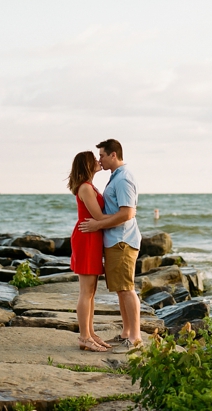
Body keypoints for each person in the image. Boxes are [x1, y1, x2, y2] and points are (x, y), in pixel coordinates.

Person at [79, 139, 142, 354]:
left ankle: (135, 336)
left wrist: (98, 224)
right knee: (121, 289)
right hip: (114, 240)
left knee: (126, 289)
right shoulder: (115, 178)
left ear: (113, 155)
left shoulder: (123, 178)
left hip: (122, 240)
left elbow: (127, 213)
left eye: (102, 156)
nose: (100, 160)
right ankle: (126, 332)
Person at [67, 151, 111, 352]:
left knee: (91, 291)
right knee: (86, 291)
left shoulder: (89, 186)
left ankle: (90, 333)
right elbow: (98, 216)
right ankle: (84, 336)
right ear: (86, 164)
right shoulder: (85, 187)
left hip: (92, 237)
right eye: (93, 158)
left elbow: (99, 219)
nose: (97, 160)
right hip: (86, 238)